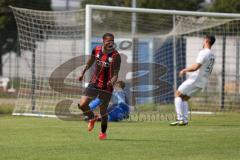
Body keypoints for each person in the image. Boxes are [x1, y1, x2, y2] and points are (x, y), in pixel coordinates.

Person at [78, 33, 121, 139]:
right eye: (108, 41)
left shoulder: (116, 56)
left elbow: (116, 74)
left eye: (112, 41)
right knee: (82, 104)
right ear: (103, 41)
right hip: (94, 82)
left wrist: (112, 81)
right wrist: (82, 73)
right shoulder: (96, 50)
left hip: (107, 86)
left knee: (103, 111)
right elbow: (89, 62)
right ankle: (92, 118)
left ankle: (103, 132)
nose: (111, 43)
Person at [170, 35, 216, 126]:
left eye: (204, 40)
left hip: (196, 79)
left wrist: (184, 70)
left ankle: (180, 119)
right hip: (203, 81)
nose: (203, 42)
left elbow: (196, 67)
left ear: (206, 40)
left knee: (177, 94)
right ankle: (185, 120)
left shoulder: (204, 52)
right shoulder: (212, 55)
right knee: (184, 98)